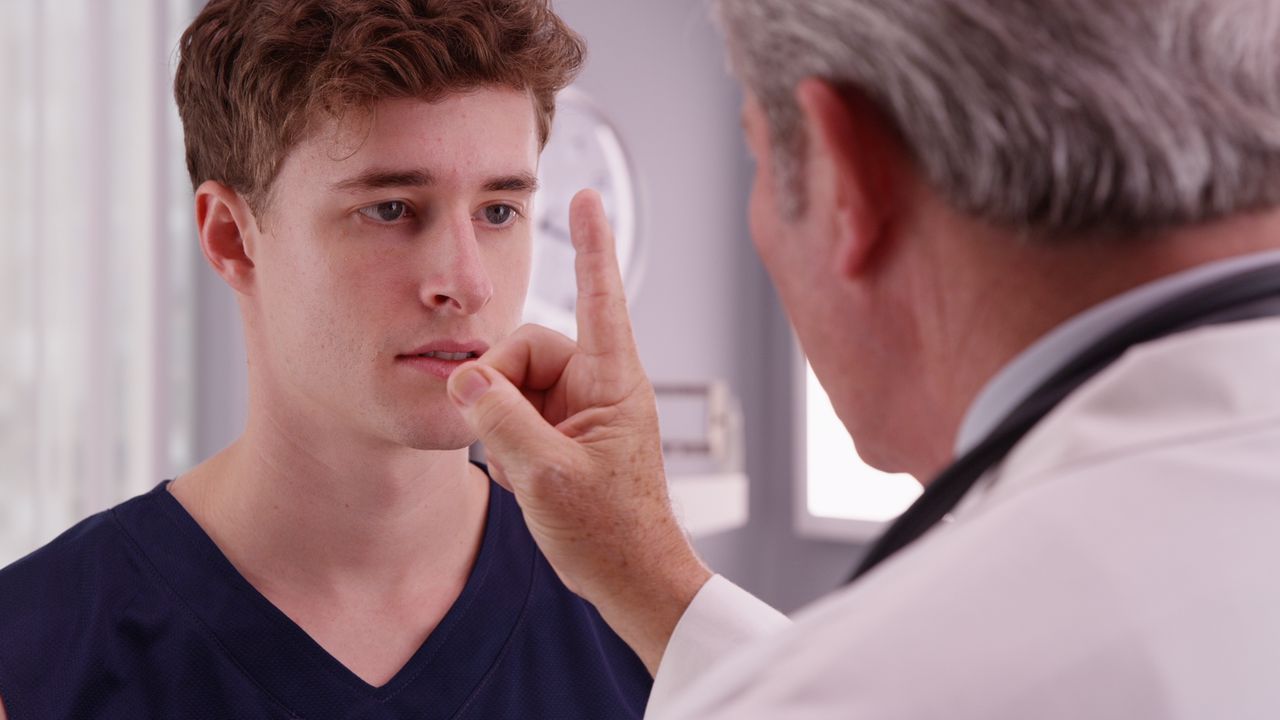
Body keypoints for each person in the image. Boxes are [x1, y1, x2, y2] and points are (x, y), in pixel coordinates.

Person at [443, 0, 1280, 717]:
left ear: (849, 182)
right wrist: (655, 580)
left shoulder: (888, 684)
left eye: (761, 158)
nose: (462, 283)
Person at [0, 1, 654, 718]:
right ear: (231, 237)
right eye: (392, 209)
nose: (469, 284)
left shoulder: (644, 627)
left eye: (498, 211)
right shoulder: (36, 655)